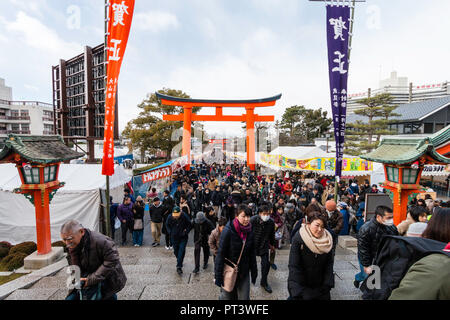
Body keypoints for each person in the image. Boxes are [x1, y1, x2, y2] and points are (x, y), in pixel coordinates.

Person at [389, 208, 450, 300]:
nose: (425, 218)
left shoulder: (435, 265)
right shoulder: (406, 225)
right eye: (423, 216)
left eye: (426, 216)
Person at [61, 220, 127, 300]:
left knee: (108, 295)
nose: (67, 243)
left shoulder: (102, 241)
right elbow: (74, 266)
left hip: (106, 278)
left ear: (82, 232)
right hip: (84, 277)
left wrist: (91, 279)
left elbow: (112, 261)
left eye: (69, 239)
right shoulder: (72, 245)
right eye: (64, 240)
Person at [288, 210, 334, 300]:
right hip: (301, 285)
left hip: (320, 286)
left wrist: (327, 285)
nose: (320, 229)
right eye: (317, 225)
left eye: (322, 226)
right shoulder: (299, 238)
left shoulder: (328, 241)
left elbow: (329, 265)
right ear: (309, 224)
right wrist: (299, 290)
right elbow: (294, 265)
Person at [215, 205, 258, 300]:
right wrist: (218, 276)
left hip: (244, 271)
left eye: (248, 216)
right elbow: (220, 254)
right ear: (237, 216)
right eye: (243, 216)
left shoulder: (250, 231)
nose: (246, 219)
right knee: (228, 297)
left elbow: (252, 253)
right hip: (229, 270)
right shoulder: (228, 230)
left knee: (244, 297)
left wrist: (254, 271)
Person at [354, 205, 398, 288]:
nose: (391, 220)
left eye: (391, 217)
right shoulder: (366, 229)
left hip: (383, 256)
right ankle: (358, 279)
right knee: (367, 276)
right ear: (378, 216)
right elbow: (363, 249)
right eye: (388, 218)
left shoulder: (392, 227)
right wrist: (366, 265)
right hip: (369, 256)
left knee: (379, 278)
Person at [250, 205, 276, 293]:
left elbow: (272, 234)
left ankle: (264, 282)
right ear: (260, 213)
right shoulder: (253, 220)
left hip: (264, 245)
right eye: (264, 214)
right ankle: (247, 281)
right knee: (248, 265)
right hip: (252, 245)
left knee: (266, 264)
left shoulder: (271, 222)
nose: (266, 216)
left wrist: (272, 245)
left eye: (268, 214)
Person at [166, 206, 192, 275]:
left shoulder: (184, 216)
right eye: (174, 216)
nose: (176, 217)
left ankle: (179, 267)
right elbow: (167, 225)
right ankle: (179, 260)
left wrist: (186, 231)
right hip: (174, 237)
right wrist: (170, 232)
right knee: (176, 251)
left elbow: (190, 224)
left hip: (183, 237)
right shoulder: (170, 217)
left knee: (182, 250)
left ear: (180, 213)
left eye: (177, 215)